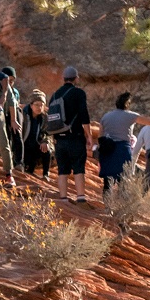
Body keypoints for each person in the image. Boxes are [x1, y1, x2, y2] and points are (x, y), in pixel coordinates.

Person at [46, 66, 92, 203]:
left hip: (59, 139)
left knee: (62, 169)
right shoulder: (79, 93)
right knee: (78, 167)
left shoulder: (54, 95)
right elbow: (84, 115)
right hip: (75, 137)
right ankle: (81, 197)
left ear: (63, 78)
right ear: (76, 78)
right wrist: (89, 136)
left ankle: (63, 198)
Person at [97, 93, 143, 193]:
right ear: (127, 104)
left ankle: (108, 207)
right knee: (123, 181)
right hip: (123, 150)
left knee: (107, 182)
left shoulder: (106, 116)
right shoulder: (131, 115)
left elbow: (100, 136)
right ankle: (122, 206)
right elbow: (149, 121)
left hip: (108, 150)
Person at [21, 94, 52, 176]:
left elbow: (47, 133)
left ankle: (46, 174)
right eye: (37, 105)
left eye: (41, 105)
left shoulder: (44, 117)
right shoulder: (23, 115)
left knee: (47, 150)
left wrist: (45, 141)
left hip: (35, 145)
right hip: (23, 146)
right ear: (31, 105)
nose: (39, 108)